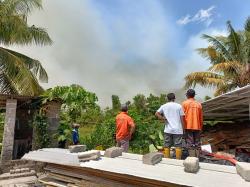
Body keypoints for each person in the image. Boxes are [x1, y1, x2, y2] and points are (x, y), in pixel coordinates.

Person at [155, 93, 185, 159]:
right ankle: (178, 160)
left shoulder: (164, 106)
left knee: (167, 145)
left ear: (167, 98)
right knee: (178, 146)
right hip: (178, 130)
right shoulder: (179, 106)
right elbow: (182, 118)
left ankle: (167, 160)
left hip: (168, 130)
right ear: (174, 98)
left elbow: (156, 113)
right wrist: (183, 129)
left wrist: (163, 118)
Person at [182, 89, 203, 158]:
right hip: (197, 126)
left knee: (190, 143)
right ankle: (197, 158)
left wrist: (182, 127)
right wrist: (201, 127)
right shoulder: (199, 104)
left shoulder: (184, 103)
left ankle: (192, 158)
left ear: (187, 95)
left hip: (188, 126)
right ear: (194, 95)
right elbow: (201, 117)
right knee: (197, 143)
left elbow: (182, 116)